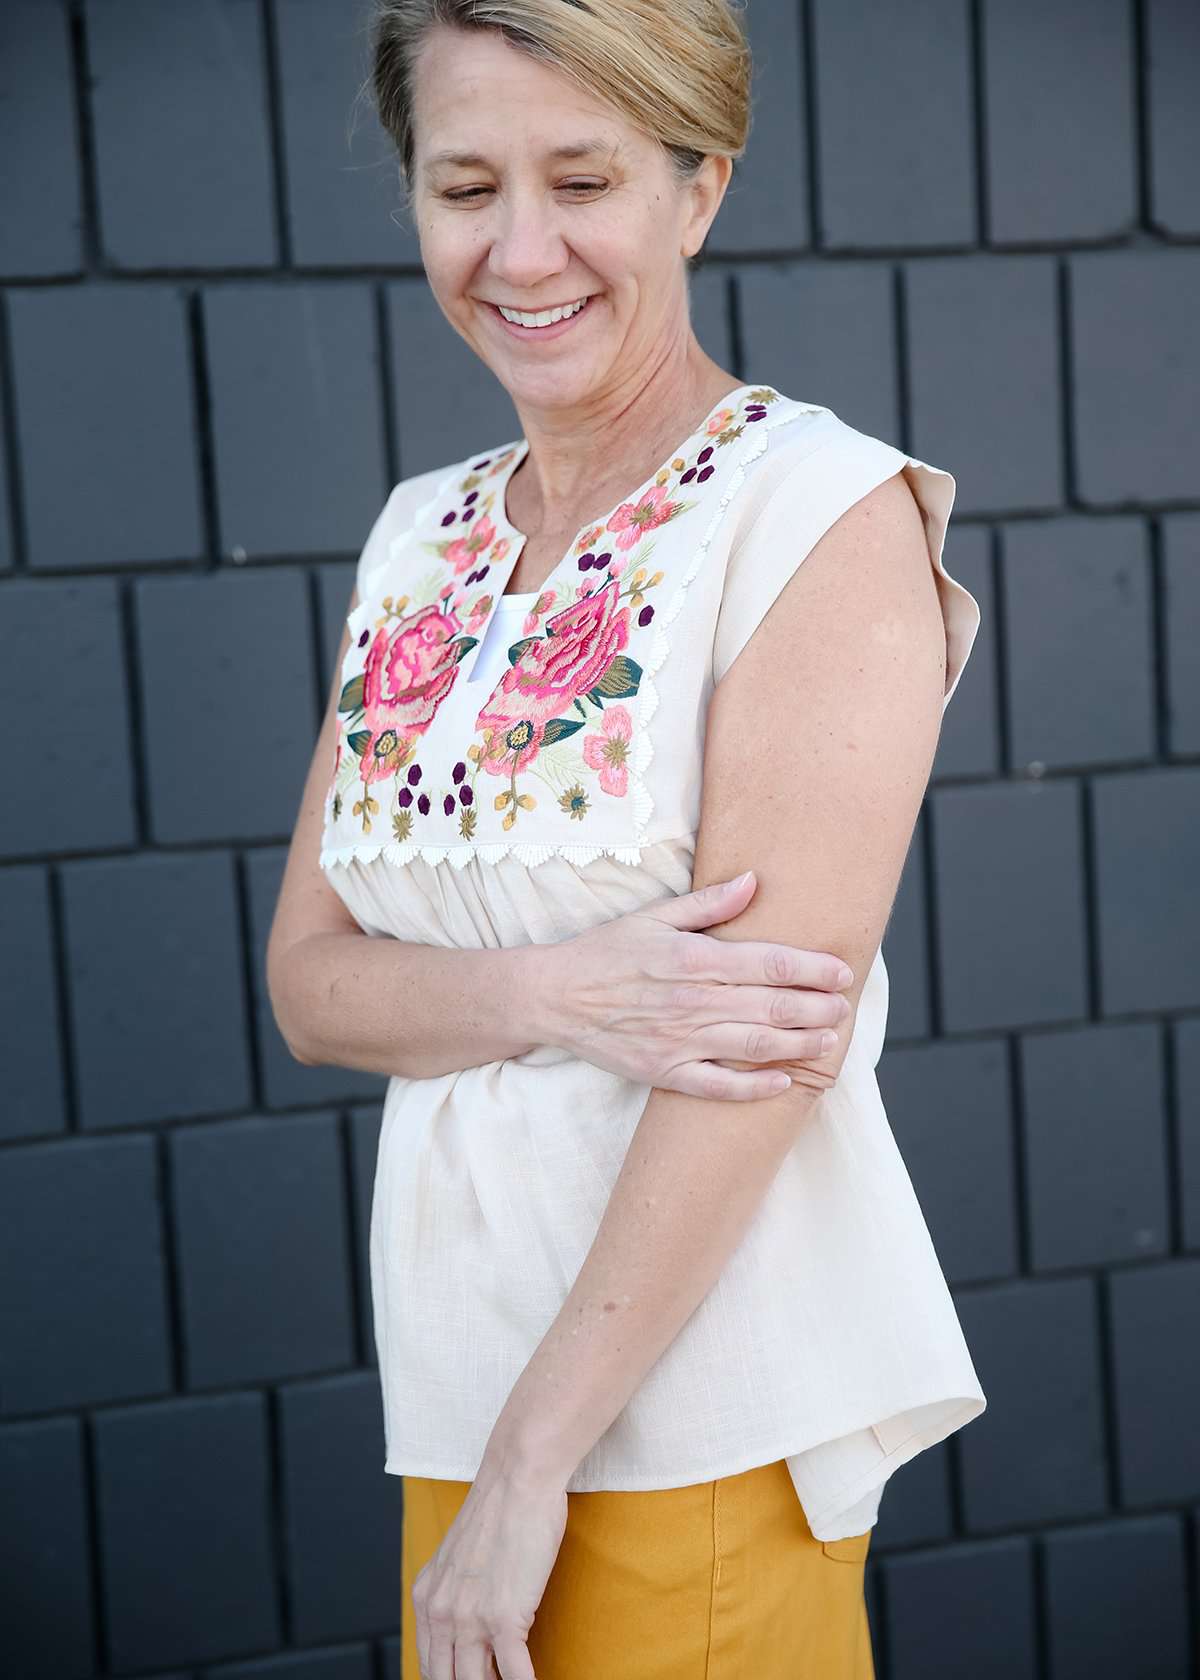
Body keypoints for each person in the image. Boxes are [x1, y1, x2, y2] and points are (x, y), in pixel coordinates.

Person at [267, 2, 987, 1675]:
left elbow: (755, 1053)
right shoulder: (418, 538)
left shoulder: (812, 516)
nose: (522, 250)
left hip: (683, 1434)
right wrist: (565, 993)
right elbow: (311, 990)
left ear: (699, 187)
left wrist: (534, 1469)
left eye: (581, 178)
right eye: (465, 187)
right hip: (456, 1418)